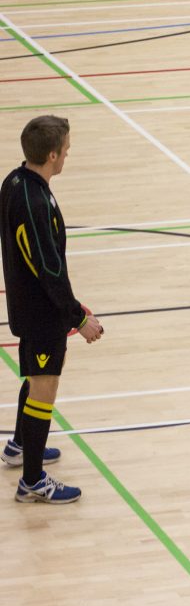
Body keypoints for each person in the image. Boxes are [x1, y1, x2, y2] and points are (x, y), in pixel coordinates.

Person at [0, 115, 104, 504]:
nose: (67, 156)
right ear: (51, 154)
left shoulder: (15, 181)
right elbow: (48, 268)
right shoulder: (36, 202)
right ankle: (31, 482)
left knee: (33, 375)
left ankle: (19, 446)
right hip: (41, 310)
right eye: (66, 150)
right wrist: (78, 317)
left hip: (29, 303)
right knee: (44, 385)